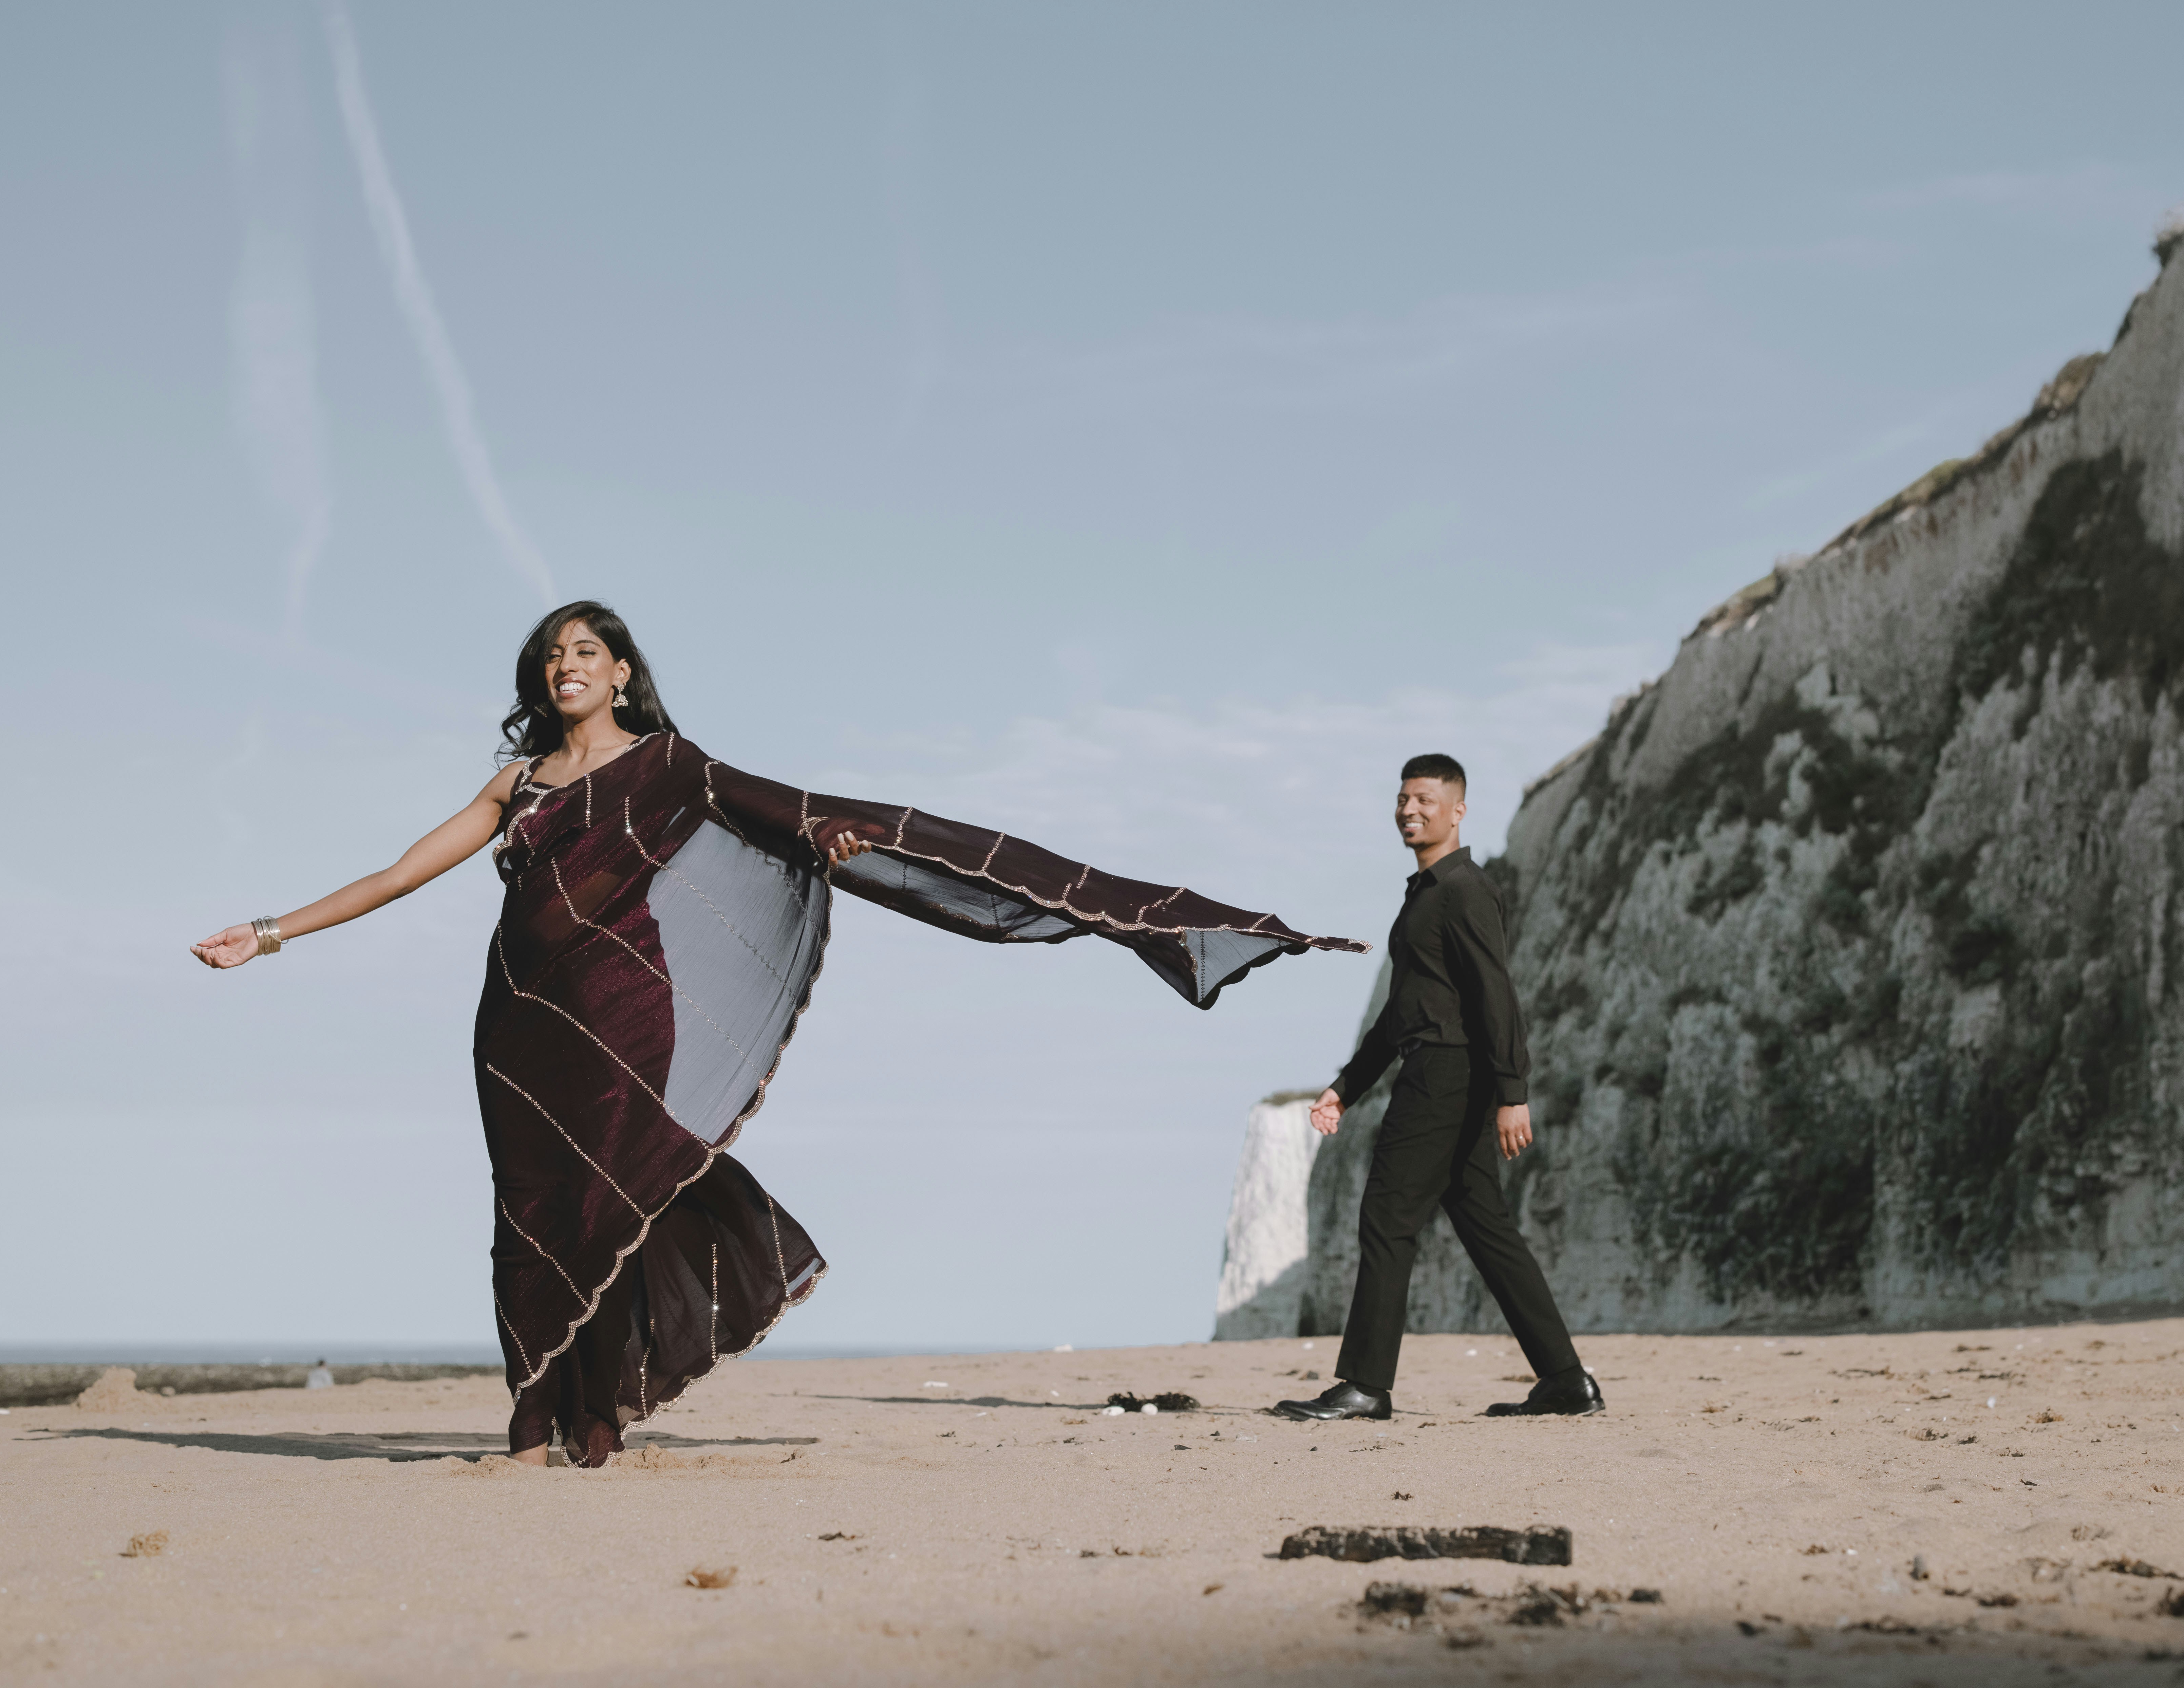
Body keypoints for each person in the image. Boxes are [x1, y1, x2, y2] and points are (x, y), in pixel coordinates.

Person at [194, 600, 1361, 1467]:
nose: (566, 668)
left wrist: (841, 840)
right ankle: (540, 1405)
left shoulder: (669, 764)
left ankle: (583, 1417)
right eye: (552, 656)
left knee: (614, 1196)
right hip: (519, 1021)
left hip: (622, 1007)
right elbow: (405, 870)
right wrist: (272, 929)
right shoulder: (518, 784)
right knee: (529, 1209)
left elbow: (782, 811)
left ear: (623, 673)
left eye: (586, 653)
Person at [1274, 755, 1600, 1422]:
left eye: (1424, 798)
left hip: (1450, 1075)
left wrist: (1513, 1090)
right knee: (1488, 1230)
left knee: (1388, 1214)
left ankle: (1366, 1384)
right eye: (1401, 799)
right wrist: (1347, 1086)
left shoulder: (1464, 890)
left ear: (1457, 809)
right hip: (1439, 1068)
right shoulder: (1423, 896)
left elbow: (1495, 992)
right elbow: (1402, 1011)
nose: (1409, 809)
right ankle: (1566, 1381)